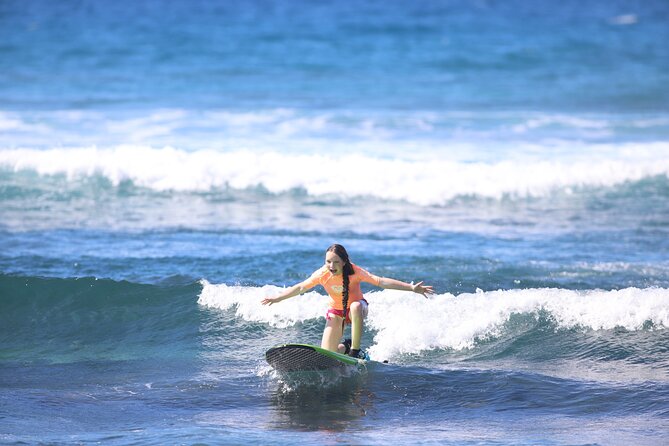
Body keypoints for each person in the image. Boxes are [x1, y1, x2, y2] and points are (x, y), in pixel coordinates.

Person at [261, 244, 434, 358]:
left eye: (336, 262)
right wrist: (278, 298)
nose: (331, 266)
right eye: (328, 261)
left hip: (358, 309)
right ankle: (346, 346)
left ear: (344, 262)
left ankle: (355, 351)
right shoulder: (322, 274)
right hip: (337, 313)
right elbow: (300, 288)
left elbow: (381, 282)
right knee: (328, 355)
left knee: (355, 305)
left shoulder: (355, 272)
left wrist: (411, 288)